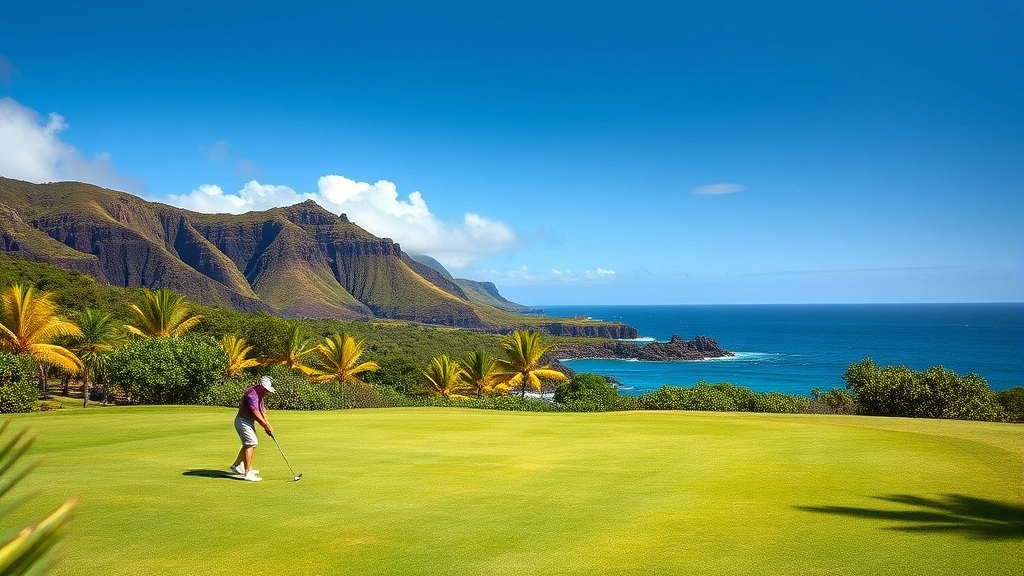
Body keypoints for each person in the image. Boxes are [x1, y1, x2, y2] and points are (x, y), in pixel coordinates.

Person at [230, 375, 275, 482]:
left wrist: (267, 424)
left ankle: (236, 466)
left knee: (250, 443)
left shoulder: (260, 394)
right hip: (242, 420)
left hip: (248, 421)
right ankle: (247, 473)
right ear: (261, 387)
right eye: (265, 390)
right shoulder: (252, 394)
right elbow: (255, 412)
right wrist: (265, 425)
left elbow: (261, 410)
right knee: (251, 442)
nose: (266, 392)